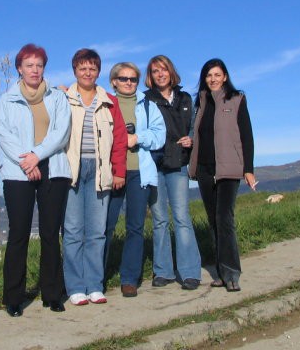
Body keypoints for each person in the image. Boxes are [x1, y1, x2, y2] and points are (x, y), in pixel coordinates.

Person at [0, 44, 72, 317]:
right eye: (29, 65)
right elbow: (5, 137)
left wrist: (36, 156)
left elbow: (61, 133)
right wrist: (26, 162)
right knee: (19, 235)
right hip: (18, 173)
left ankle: (52, 294)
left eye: (39, 65)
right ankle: (14, 297)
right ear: (19, 68)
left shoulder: (57, 98)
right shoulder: (6, 101)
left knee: (51, 234)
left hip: (53, 168)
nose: (35, 70)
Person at [62, 49, 127, 306]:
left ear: (98, 72)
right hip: (72, 172)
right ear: (75, 71)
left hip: (101, 171)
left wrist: (119, 170)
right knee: (73, 231)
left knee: (97, 232)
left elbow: (120, 140)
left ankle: (95, 285)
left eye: (92, 68)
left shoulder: (109, 101)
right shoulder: (63, 99)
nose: (87, 73)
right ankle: (76, 286)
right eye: (82, 68)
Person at [188, 58, 257, 292]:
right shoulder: (201, 103)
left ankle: (232, 273)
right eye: (209, 75)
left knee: (224, 219)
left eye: (217, 75)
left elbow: (247, 136)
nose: (213, 79)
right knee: (213, 221)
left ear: (225, 76)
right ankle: (220, 272)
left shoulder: (237, 99)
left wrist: (248, 169)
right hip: (206, 169)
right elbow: (199, 134)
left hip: (229, 169)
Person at [104, 62, 166, 297]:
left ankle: (129, 278)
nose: (129, 83)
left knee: (135, 227)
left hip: (139, 172)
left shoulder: (148, 105)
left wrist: (137, 137)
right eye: (123, 79)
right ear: (114, 81)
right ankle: (97, 276)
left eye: (133, 79)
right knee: (105, 226)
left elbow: (160, 135)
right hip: (111, 172)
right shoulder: (105, 102)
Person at [143, 55, 202, 291]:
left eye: (163, 70)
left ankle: (189, 272)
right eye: (155, 71)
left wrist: (193, 139)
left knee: (182, 217)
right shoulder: (145, 100)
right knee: (159, 219)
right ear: (150, 75)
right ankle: (163, 271)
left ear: (171, 72)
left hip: (178, 164)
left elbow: (194, 127)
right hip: (154, 164)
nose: (160, 74)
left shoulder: (185, 98)